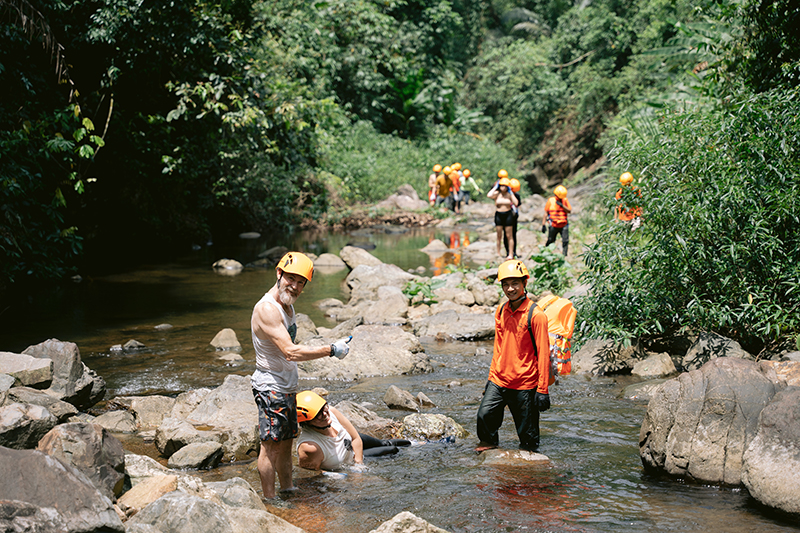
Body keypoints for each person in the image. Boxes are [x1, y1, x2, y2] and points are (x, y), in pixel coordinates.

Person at [250, 252, 351, 500]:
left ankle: (288, 490)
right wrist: (330, 350)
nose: (294, 286)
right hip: (270, 387)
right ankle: (270, 500)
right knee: (270, 447)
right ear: (279, 273)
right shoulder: (267, 309)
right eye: (291, 278)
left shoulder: (288, 305)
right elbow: (291, 351)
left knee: (285, 445)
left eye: (300, 282)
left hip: (285, 387)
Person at [476, 259, 551, 452]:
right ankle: (489, 448)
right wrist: (491, 378)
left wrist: (542, 390)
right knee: (484, 416)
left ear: (524, 284)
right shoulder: (501, 310)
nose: (510, 289)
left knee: (528, 439)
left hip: (525, 383)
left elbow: (543, 354)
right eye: (506, 284)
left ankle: (529, 472)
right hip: (499, 380)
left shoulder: (536, 315)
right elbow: (498, 347)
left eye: (515, 283)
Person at [296, 390, 411, 471]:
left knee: (385, 443)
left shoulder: (331, 411)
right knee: (392, 449)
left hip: (351, 442)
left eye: (323, 408)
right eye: (318, 415)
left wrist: (359, 464)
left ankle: (415, 444)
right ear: (306, 422)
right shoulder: (310, 447)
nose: (325, 414)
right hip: (348, 455)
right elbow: (311, 472)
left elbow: (355, 438)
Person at [488, 170, 519, 259]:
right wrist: (495, 187)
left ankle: (510, 254)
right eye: (501, 186)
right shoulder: (497, 194)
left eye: (505, 186)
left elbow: (516, 203)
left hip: (508, 215)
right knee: (499, 235)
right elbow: (489, 195)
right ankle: (498, 253)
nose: (503, 188)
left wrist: (511, 193)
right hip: (499, 215)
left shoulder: (509, 194)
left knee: (509, 235)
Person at [542, 185, 571, 256]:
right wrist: (543, 224)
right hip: (553, 224)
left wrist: (562, 205)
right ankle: (546, 253)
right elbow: (546, 213)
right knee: (551, 240)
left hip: (563, 224)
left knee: (565, 240)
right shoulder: (551, 200)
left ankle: (564, 255)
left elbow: (569, 211)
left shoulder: (565, 200)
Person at [503, 178, 522, 258]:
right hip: (507, 216)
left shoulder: (516, 195)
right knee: (506, 235)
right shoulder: (506, 194)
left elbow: (517, 204)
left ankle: (512, 252)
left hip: (513, 217)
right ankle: (508, 251)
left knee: (513, 235)